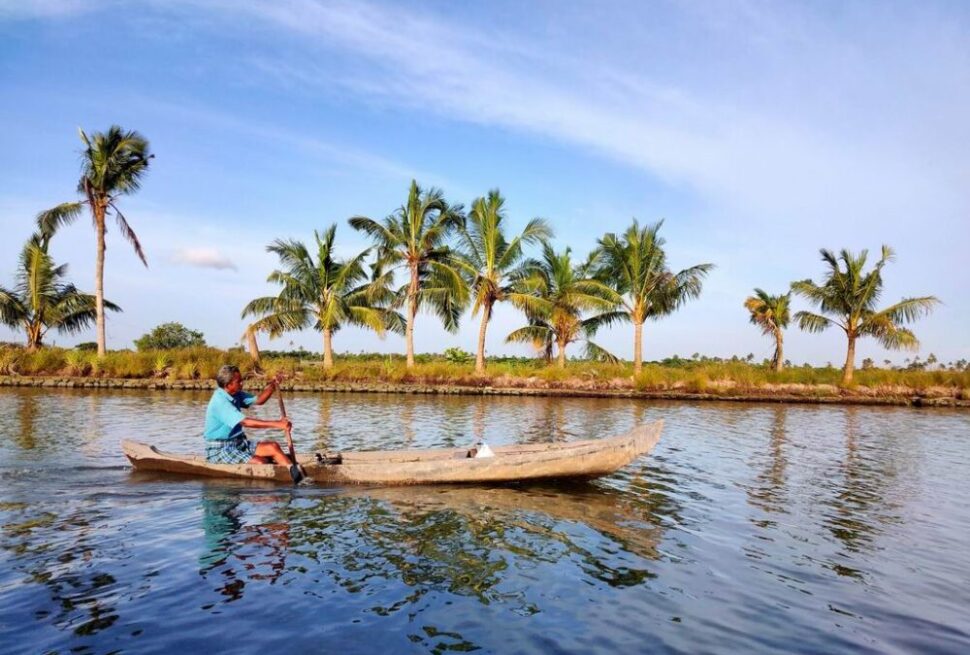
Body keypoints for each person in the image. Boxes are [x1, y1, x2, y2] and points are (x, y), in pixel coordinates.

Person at [204, 365, 301, 480]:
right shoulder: (220, 401)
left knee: (273, 447)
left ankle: (297, 477)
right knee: (260, 463)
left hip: (239, 442)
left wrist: (273, 385)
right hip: (220, 448)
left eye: (241, 380)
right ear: (228, 385)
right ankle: (283, 478)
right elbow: (245, 422)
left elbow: (259, 400)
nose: (242, 383)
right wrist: (277, 424)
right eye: (238, 381)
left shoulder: (235, 393)